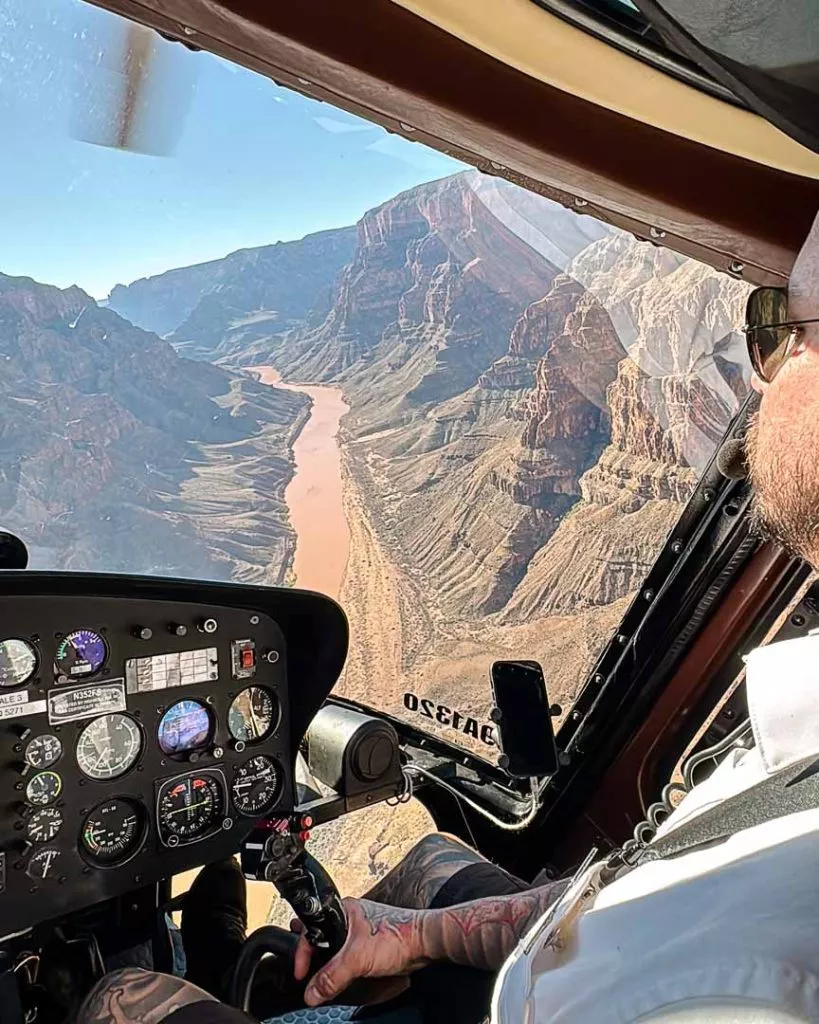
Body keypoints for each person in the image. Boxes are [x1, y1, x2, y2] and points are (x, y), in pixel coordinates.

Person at [79, 209, 819, 1024]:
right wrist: (421, 935)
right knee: (428, 861)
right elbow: (654, 898)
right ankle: (239, 967)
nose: (762, 376)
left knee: (123, 997)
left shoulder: (748, 989)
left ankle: (219, 971)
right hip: (594, 958)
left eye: (789, 333)